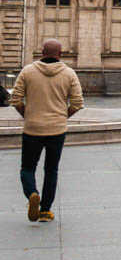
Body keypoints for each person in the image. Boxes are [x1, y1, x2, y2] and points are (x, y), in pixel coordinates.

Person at [8, 39, 83, 223]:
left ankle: (32, 193)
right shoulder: (69, 73)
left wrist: (27, 114)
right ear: (61, 54)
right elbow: (77, 103)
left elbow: (15, 99)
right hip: (57, 129)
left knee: (27, 168)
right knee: (51, 169)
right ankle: (45, 211)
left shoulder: (28, 71)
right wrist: (63, 116)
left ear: (41, 52)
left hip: (32, 128)